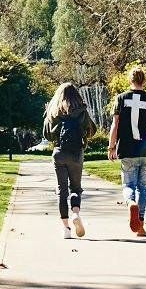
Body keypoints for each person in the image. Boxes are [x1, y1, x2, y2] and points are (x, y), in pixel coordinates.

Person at [108, 67, 146, 236]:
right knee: (142, 187)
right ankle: (140, 224)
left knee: (128, 185)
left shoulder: (120, 99)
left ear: (129, 80)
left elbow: (115, 125)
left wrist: (111, 147)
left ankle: (130, 203)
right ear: (144, 81)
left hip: (127, 149)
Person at [42, 82, 98, 238]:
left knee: (62, 191)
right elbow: (92, 131)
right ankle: (75, 213)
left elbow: (47, 135)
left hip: (59, 153)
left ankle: (66, 229)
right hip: (76, 153)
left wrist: (47, 114)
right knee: (76, 188)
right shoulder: (81, 111)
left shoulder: (53, 112)